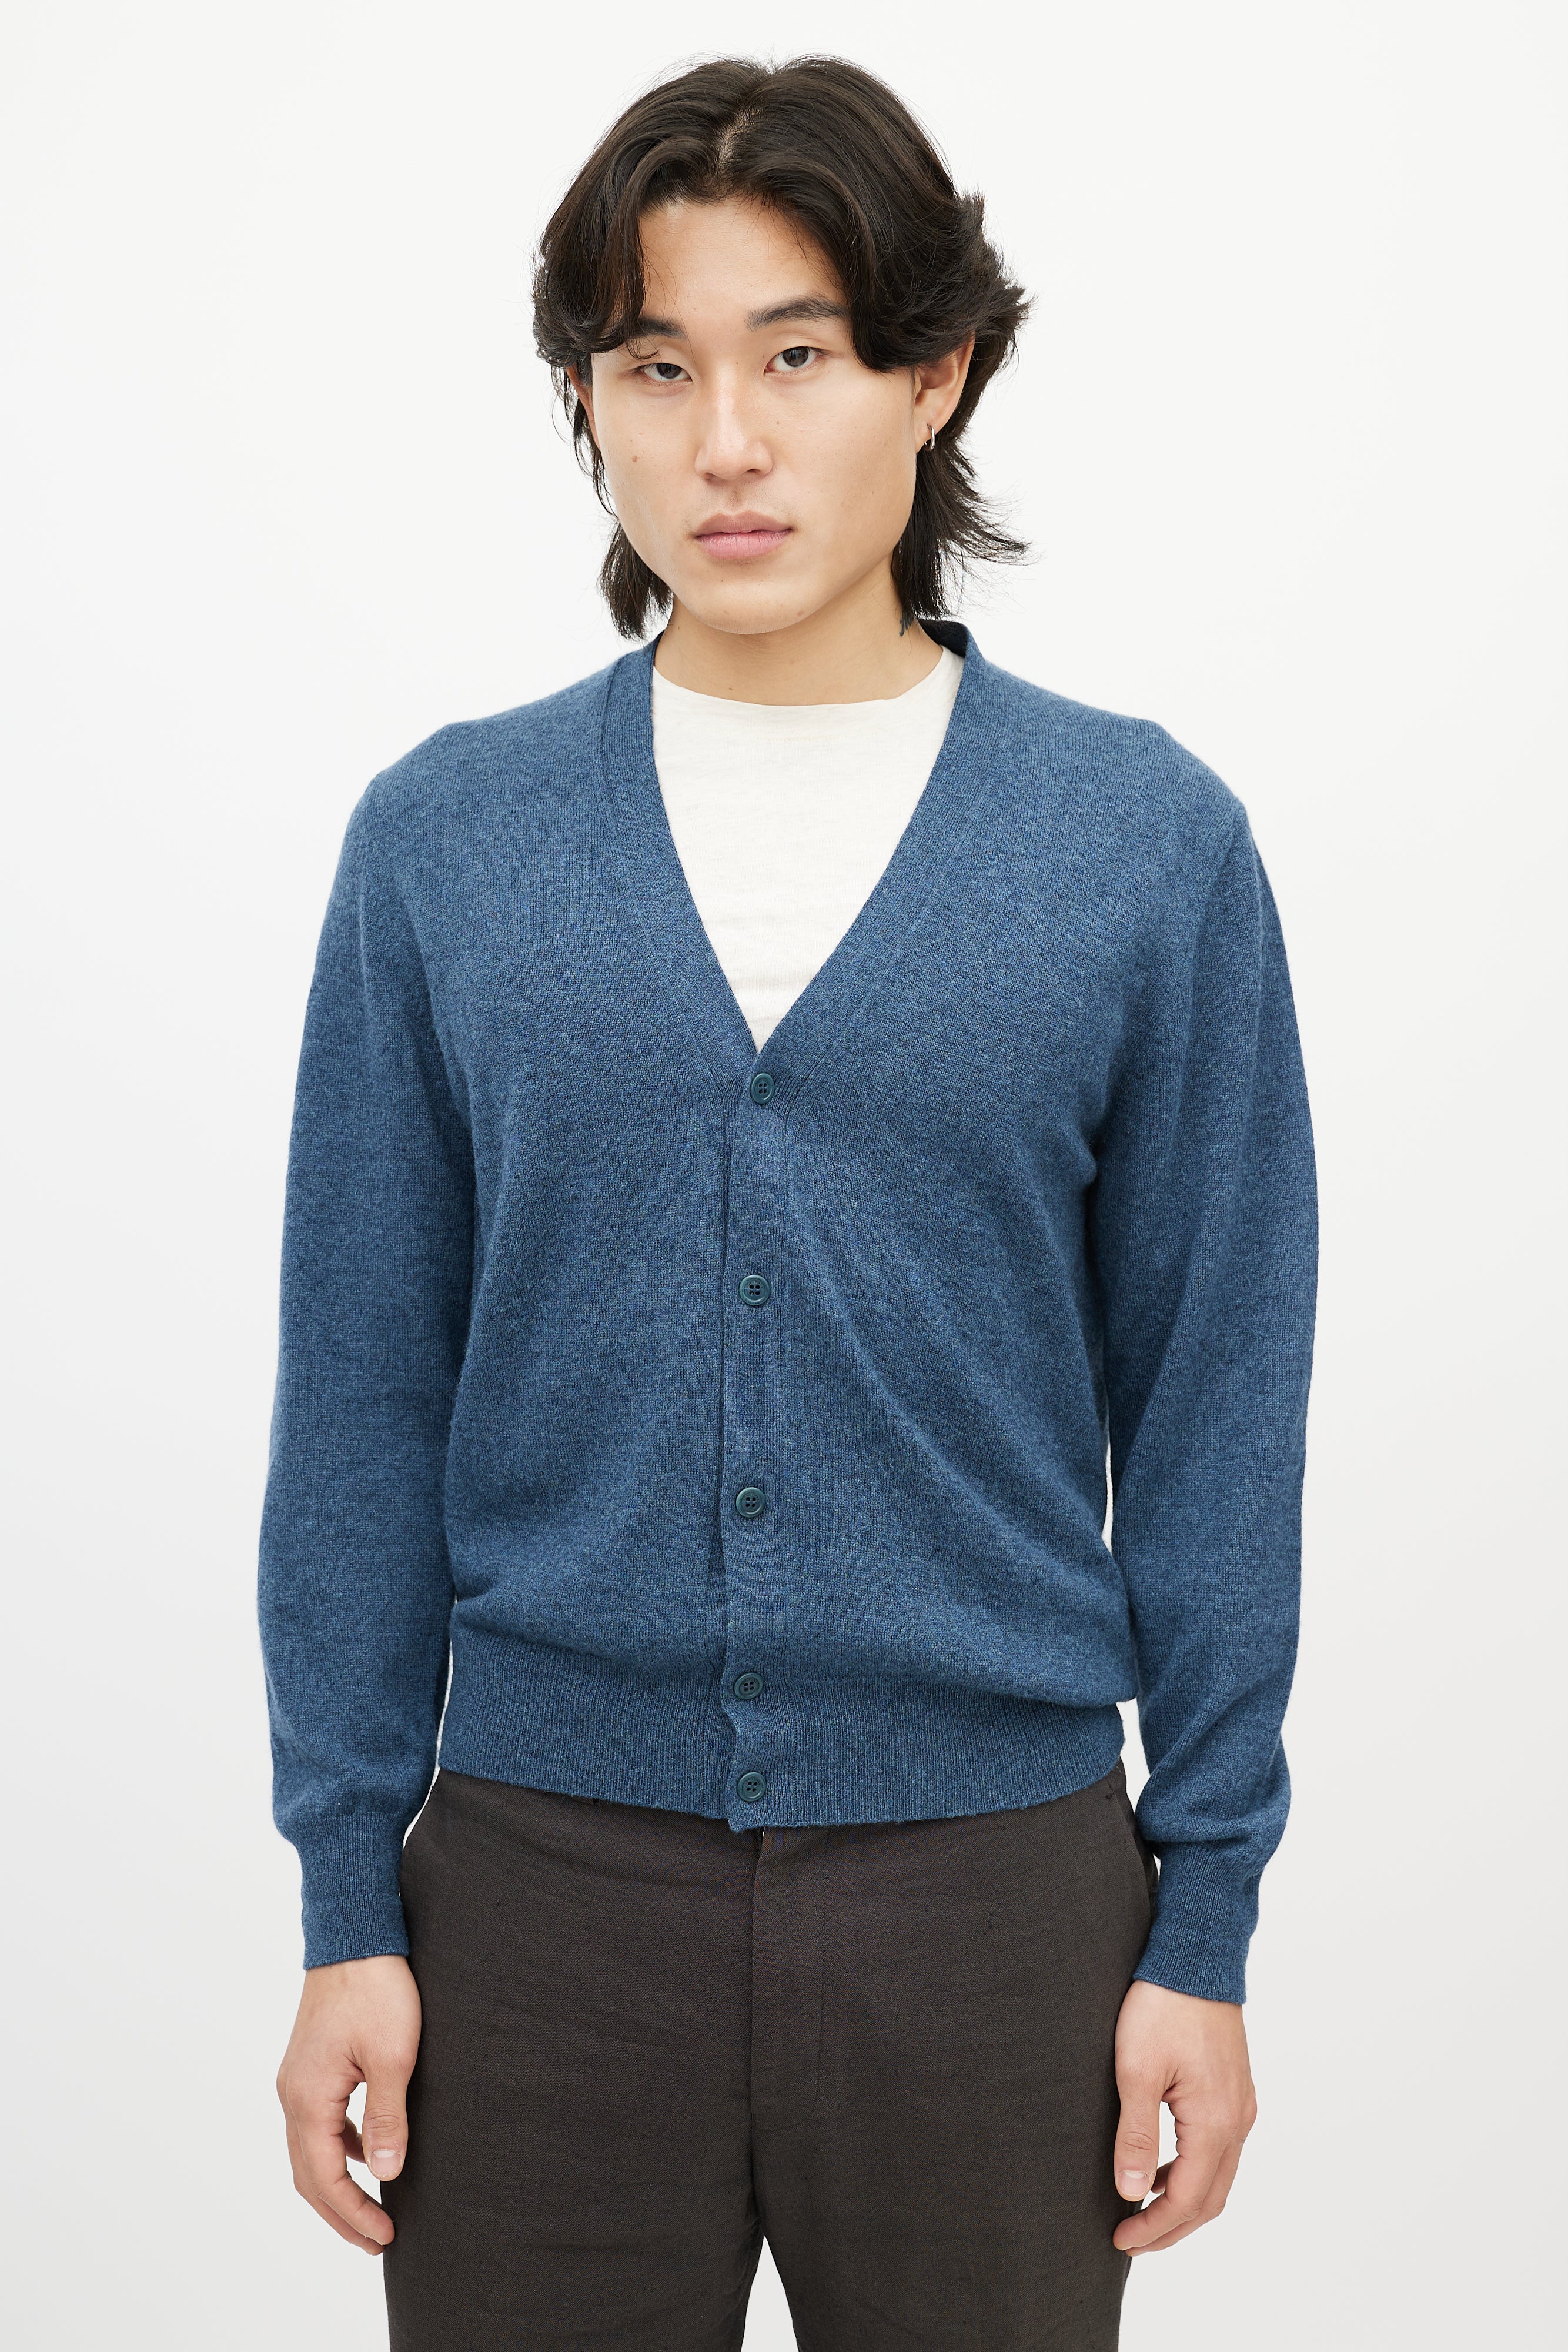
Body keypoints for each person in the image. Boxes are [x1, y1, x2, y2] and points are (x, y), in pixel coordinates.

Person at [260, 52, 1318, 2352]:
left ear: (935, 377)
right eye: (655, 368)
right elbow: (356, 1393)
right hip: (533, 1901)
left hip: (999, 1907)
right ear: (588, 400)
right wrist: (347, 1893)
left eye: (799, 356)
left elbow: (1217, 1409)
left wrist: (1205, 1912)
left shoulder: (1142, 851)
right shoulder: (444, 845)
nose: (724, 443)